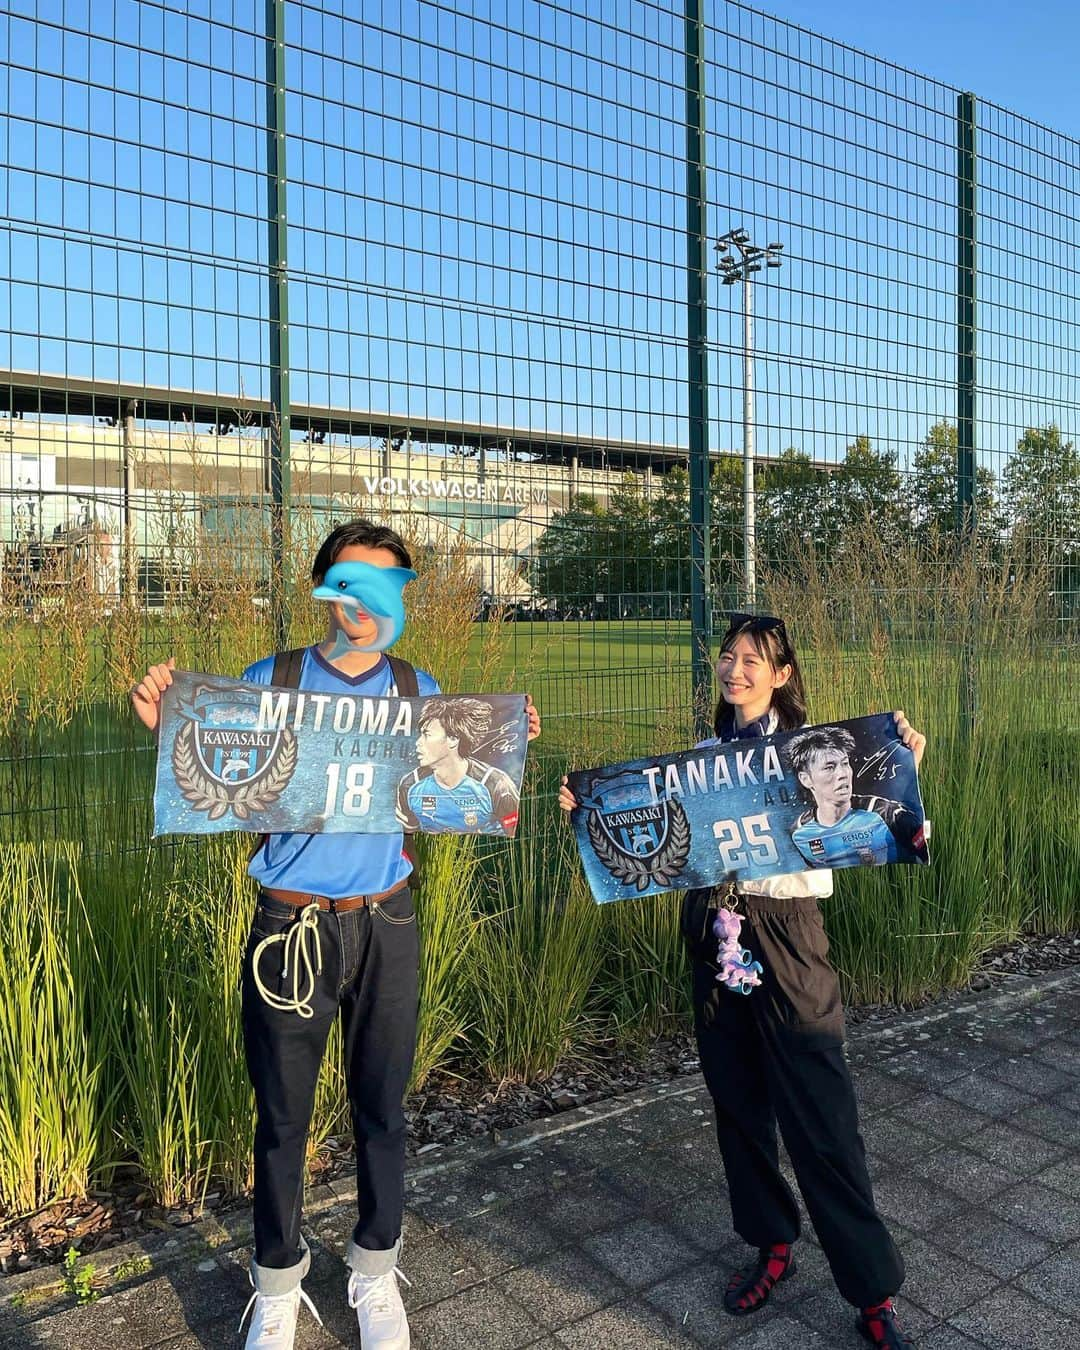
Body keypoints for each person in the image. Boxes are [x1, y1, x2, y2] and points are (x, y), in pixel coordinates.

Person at [131, 520, 541, 1350]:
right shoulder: (272, 679)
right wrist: (166, 729)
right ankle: (276, 1284)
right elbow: (220, 773)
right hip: (290, 923)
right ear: (322, 588)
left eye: (383, 586)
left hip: (387, 920)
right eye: (348, 582)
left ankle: (374, 1268)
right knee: (282, 1115)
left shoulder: (413, 686)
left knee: (382, 1108)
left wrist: (506, 741)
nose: (362, 602)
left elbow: (447, 789)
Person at [558, 613, 926, 1350]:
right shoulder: (699, 759)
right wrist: (587, 807)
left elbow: (884, 811)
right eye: (728, 657)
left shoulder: (820, 750)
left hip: (787, 933)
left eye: (754, 660)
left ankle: (872, 1289)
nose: (736, 670)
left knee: (822, 1115)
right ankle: (772, 1243)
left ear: (782, 674)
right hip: (712, 928)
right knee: (738, 1105)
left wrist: (909, 756)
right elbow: (649, 838)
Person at [784, 725, 922, 867]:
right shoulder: (799, 832)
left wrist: (911, 768)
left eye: (845, 763)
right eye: (829, 767)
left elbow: (926, 844)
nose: (843, 774)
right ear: (806, 779)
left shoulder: (887, 814)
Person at [396, 696, 521, 834]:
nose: (418, 742)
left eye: (427, 734)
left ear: (453, 739)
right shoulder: (410, 785)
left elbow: (515, 833)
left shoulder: (497, 785)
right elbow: (408, 836)